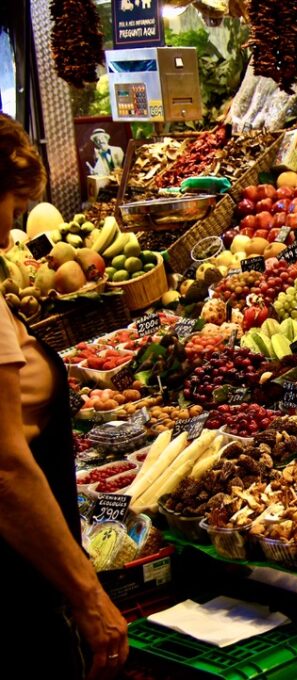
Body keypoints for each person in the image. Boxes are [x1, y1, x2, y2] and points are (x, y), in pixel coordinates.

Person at [0, 113, 128, 678]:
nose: (9, 231)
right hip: (18, 578)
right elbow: (6, 469)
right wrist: (87, 594)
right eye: (8, 207)